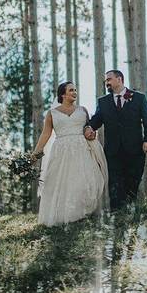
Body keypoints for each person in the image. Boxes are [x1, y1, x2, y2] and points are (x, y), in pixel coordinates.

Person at [32, 81, 108, 226]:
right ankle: (63, 216)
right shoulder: (52, 113)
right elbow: (45, 134)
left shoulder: (83, 110)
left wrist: (90, 132)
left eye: (75, 90)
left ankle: (82, 214)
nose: (75, 92)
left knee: (84, 181)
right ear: (63, 94)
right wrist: (35, 154)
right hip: (61, 150)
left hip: (82, 149)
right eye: (71, 90)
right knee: (60, 182)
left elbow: (88, 128)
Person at [84, 69, 147, 210]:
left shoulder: (139, 98)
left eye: (109, 79)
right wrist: (89, 127)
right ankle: (116, 217)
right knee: (115, 184)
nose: (106, 83)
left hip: (135, 149)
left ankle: (131, 213)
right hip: (113, 151)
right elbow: (97, 119)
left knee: (132, 182)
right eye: (105, 81)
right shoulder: (103, 102)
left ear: (120, 79)